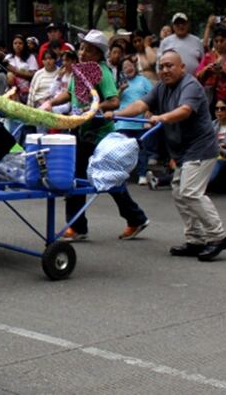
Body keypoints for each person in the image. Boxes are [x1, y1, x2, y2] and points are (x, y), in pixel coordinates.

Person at [108, 49, 226, 261]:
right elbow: (140, 105)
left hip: (201, 149)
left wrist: (161, 117)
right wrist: (115, 114)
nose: (165, 70)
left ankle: (217, 237)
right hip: (183, 151)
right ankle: (196, 239)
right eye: (162, 66)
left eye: (170, 66)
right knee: (179, 193)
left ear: (182, 67)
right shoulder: (161, 88)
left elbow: (185, 110)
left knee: (191, 192)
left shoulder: (190, 85)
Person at [41, 30, 149, 241]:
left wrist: (93, 107)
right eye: (82, 48)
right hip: (79, 131)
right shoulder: (78, 71)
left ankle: (78, 226)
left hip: (99, 133)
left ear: (99, 55)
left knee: (85, 177)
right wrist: (51, 102)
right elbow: (70, 94)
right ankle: (133, 218)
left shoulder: (102, 72)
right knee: (90, 177)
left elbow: (113, 100)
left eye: (89, 50)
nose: (83, 53)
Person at [114, 57, 154, 185]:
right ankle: (121, 175)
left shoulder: (143, 81)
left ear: (134, 66)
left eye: (129, 65)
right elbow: (113, 101)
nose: (128, 68)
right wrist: (121, 90)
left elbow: (153, 96)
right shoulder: (120, 83)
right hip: (123, 121)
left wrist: (149, 109)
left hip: (139, 121)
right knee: (122, 149)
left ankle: (142, 174)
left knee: (142, 148)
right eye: (124, 67)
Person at [195, 25, 226, 109]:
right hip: (211, 99)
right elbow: (198, 77)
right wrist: (207, 69)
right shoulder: (208, 56)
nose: (219, 44)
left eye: (222, 41)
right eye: (216, 41)